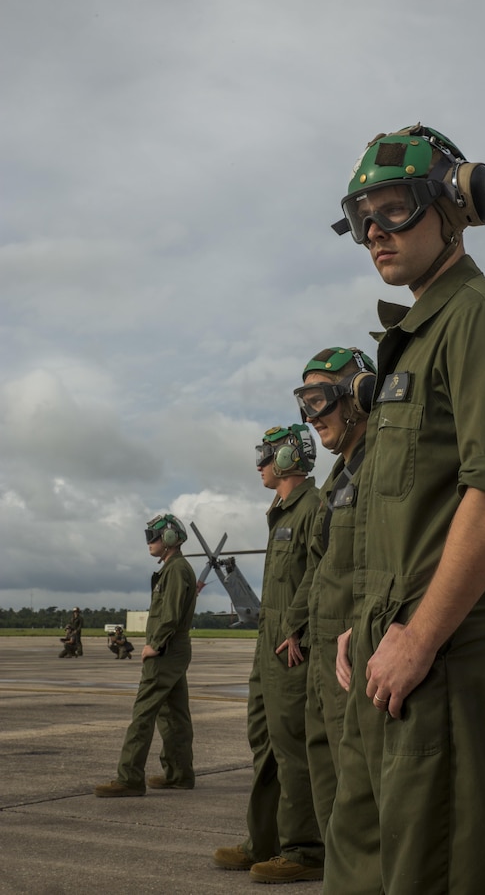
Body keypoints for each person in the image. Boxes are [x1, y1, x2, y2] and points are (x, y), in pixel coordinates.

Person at [323, 122, 485, 894]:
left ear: (454, 206)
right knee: (362, 861)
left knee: (432, 872)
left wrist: (417, 636)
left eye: (396, 209)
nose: (375, 234)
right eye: (362, 219)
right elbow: (407, 512)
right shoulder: (411, 342)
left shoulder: (482, 316)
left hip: (449, 649)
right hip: (398, 646)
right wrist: (371, 616)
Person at [213, 424, 324, 884]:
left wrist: (297, 627)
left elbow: (321, 573)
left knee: (292, 748)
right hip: (268, 649)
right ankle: (264, 841)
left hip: (290, 651)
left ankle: (305, 849)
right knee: (264, 743)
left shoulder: (314, 508)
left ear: (287, 458)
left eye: (266, 454)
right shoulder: (280, 511)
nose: (259, 463)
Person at [291, 346, 376, 837]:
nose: (311, 417)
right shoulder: (337, 479)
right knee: (327, 785)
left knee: (358, 802)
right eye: (304, 403)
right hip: (323, 658)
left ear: (358, 397)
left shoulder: (376, 469)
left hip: (354, 660)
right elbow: (322, 567)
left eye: (320, 400)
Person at [94, 513, 197, 797]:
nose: (149, 542)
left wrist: (155, 644)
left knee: (143, 714)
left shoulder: (176, 570)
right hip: (174, 650)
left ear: (170, 539)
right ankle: (179, 775)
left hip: (166, 651)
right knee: (173, 715)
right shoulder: (174, 568)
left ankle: (129, 778)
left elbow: (171, 614)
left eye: (154, 536)